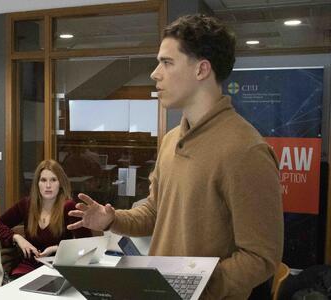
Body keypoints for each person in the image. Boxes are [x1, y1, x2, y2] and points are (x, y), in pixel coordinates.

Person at [67, 14, 283, 299]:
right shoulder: (171, 140)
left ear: (201, 69)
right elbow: (156, 212)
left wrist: (191, 287)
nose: (155, 73)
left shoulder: (246, 151)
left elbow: (261, 257)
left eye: (167, 62)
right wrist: (111, 220)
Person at [0, 159, 91, 277]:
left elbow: (87, 244)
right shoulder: (27, 204)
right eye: (43, 180)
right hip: (29, 265)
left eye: (53, 180)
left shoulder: (69, 206)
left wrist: (56, 248)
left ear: (60, 183)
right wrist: (17, 237)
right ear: (37, 184)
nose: (48, 185)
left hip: (58, 265)